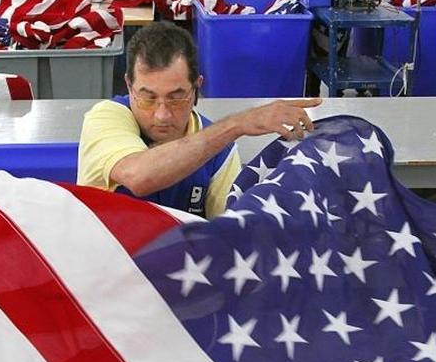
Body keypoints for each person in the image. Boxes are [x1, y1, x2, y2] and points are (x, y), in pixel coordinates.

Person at [78, 22, 321, 219]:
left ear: (197, 88)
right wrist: (237, 124)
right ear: (129, 86)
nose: (162, 114)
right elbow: (139, 177)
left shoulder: (221, 154)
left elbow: (229, 233)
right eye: (147, 97)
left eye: (177, 97)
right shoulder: (106, 117)